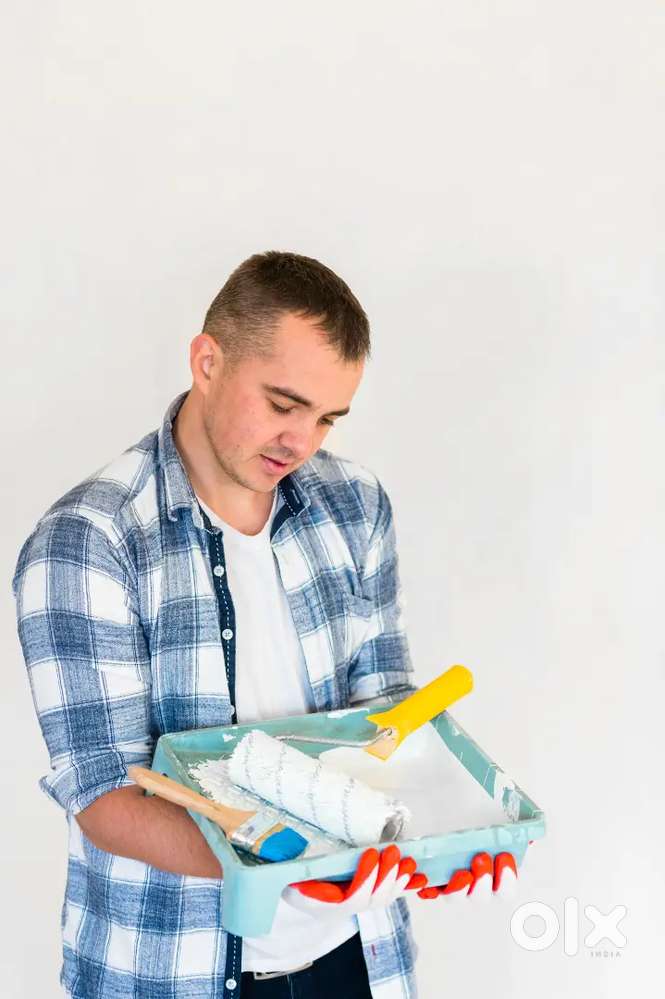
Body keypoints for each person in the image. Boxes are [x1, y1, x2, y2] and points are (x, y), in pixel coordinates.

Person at [12, 251, 518, 999]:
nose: (302, 442)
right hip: (172, 970)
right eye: (283, 405)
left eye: (327, 418)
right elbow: (105, 797)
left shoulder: (355, 504)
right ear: (207, 361)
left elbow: (387, 712)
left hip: (355, 957)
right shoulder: (91, 540)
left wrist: (430, 843)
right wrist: (298, 864)